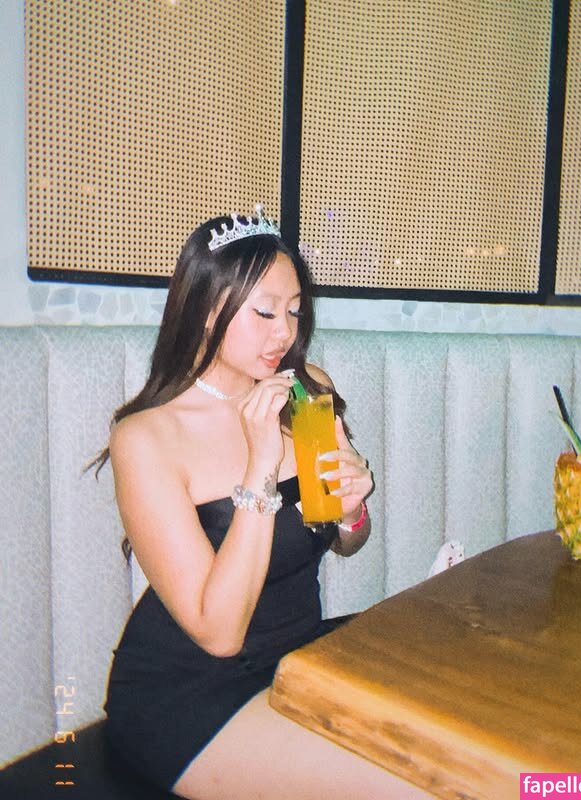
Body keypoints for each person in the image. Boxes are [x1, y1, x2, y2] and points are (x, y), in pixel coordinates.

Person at [98, 207, 428, 799]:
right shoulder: (146, 438)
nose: (285, 334)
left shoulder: (305, 388)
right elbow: (219, 633)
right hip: (190, 692)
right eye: (265, 312)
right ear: (205, 309)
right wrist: (260, 466)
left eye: (295, 311)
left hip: (299, 656)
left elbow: (346, 540)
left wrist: (351, 508)